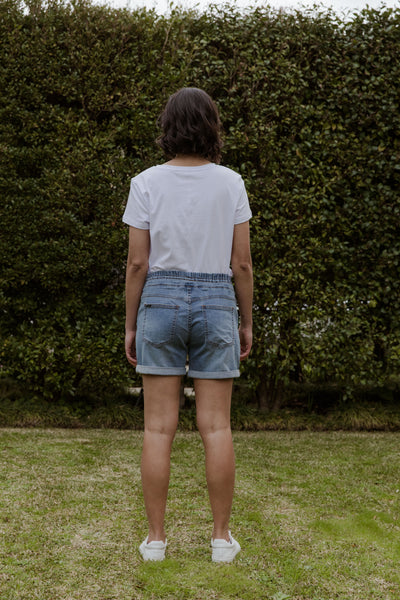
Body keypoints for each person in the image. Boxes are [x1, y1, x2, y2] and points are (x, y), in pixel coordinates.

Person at [123, 87, 253, 563]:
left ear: (168, 128)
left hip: (159, 300)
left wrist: (131, 324)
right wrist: (246, 321)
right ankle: (220, 540)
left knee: (159, 429)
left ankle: (156, 541)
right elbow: (241, 265)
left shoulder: (145, 182)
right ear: (212, 127)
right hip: (218, 301)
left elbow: (138, 264)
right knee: (216, 427)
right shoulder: (231, 183)